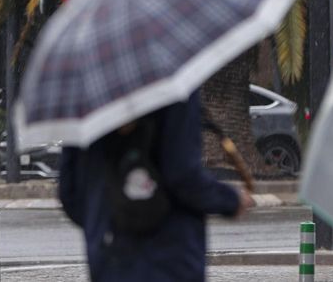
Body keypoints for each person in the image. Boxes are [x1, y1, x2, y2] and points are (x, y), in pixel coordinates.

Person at [58, 90, 255, 281]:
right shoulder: (169, 84)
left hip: (108, 258)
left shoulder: (82, 92)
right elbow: (183, 174)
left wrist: (104, 223)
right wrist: (231, 200)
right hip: (169, 256)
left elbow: (70, 191)